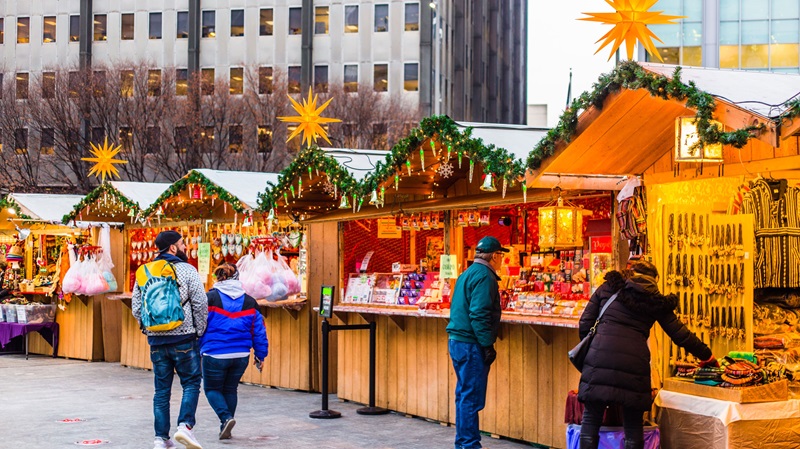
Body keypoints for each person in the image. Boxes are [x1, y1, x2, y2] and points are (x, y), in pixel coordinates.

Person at [577, 260, 717, 449]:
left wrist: (596, 349)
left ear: (630, 271)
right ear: (654, 280)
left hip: (599, 358)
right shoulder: (655, 301)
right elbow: (680, 335)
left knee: (591, 418)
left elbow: (585, 323)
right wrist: (707, 356)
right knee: (633, 422)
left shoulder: (609, 287)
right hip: (634, 363)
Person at [132, 230, 208, 449]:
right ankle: (185, 427)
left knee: (161, 390)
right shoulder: (187, 269)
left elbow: (137, 307)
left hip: (156, 341)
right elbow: (200, 303)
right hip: (184, 336)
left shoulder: (143, 270)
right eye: (182, 244)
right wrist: (199, 330)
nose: (185, 247)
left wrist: (148, 329)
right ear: (173, 248)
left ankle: (160, 438)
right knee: (192, 382)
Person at [446, 236, 508, 449]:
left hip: (458, 341)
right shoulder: (485, 276)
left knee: (464, 395)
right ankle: (468, 445)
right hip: (471, 344)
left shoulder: (468, 273)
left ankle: (464, 443)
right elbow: (479, 313)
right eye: (501, 255)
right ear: (494, 256)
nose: (502, 260)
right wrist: (487, 344)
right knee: (471, 398)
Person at [200, 263, 269, 440]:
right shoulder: (250, 301)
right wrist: (260, 355)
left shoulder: (209, 298)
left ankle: (226, 418)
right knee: (230, 389)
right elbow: (259, 331)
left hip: (214, 353)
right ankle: (226, 425)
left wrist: (196, 346)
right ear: (237, 278)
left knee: (211, 389)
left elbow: (199, 325)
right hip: (241, 355)